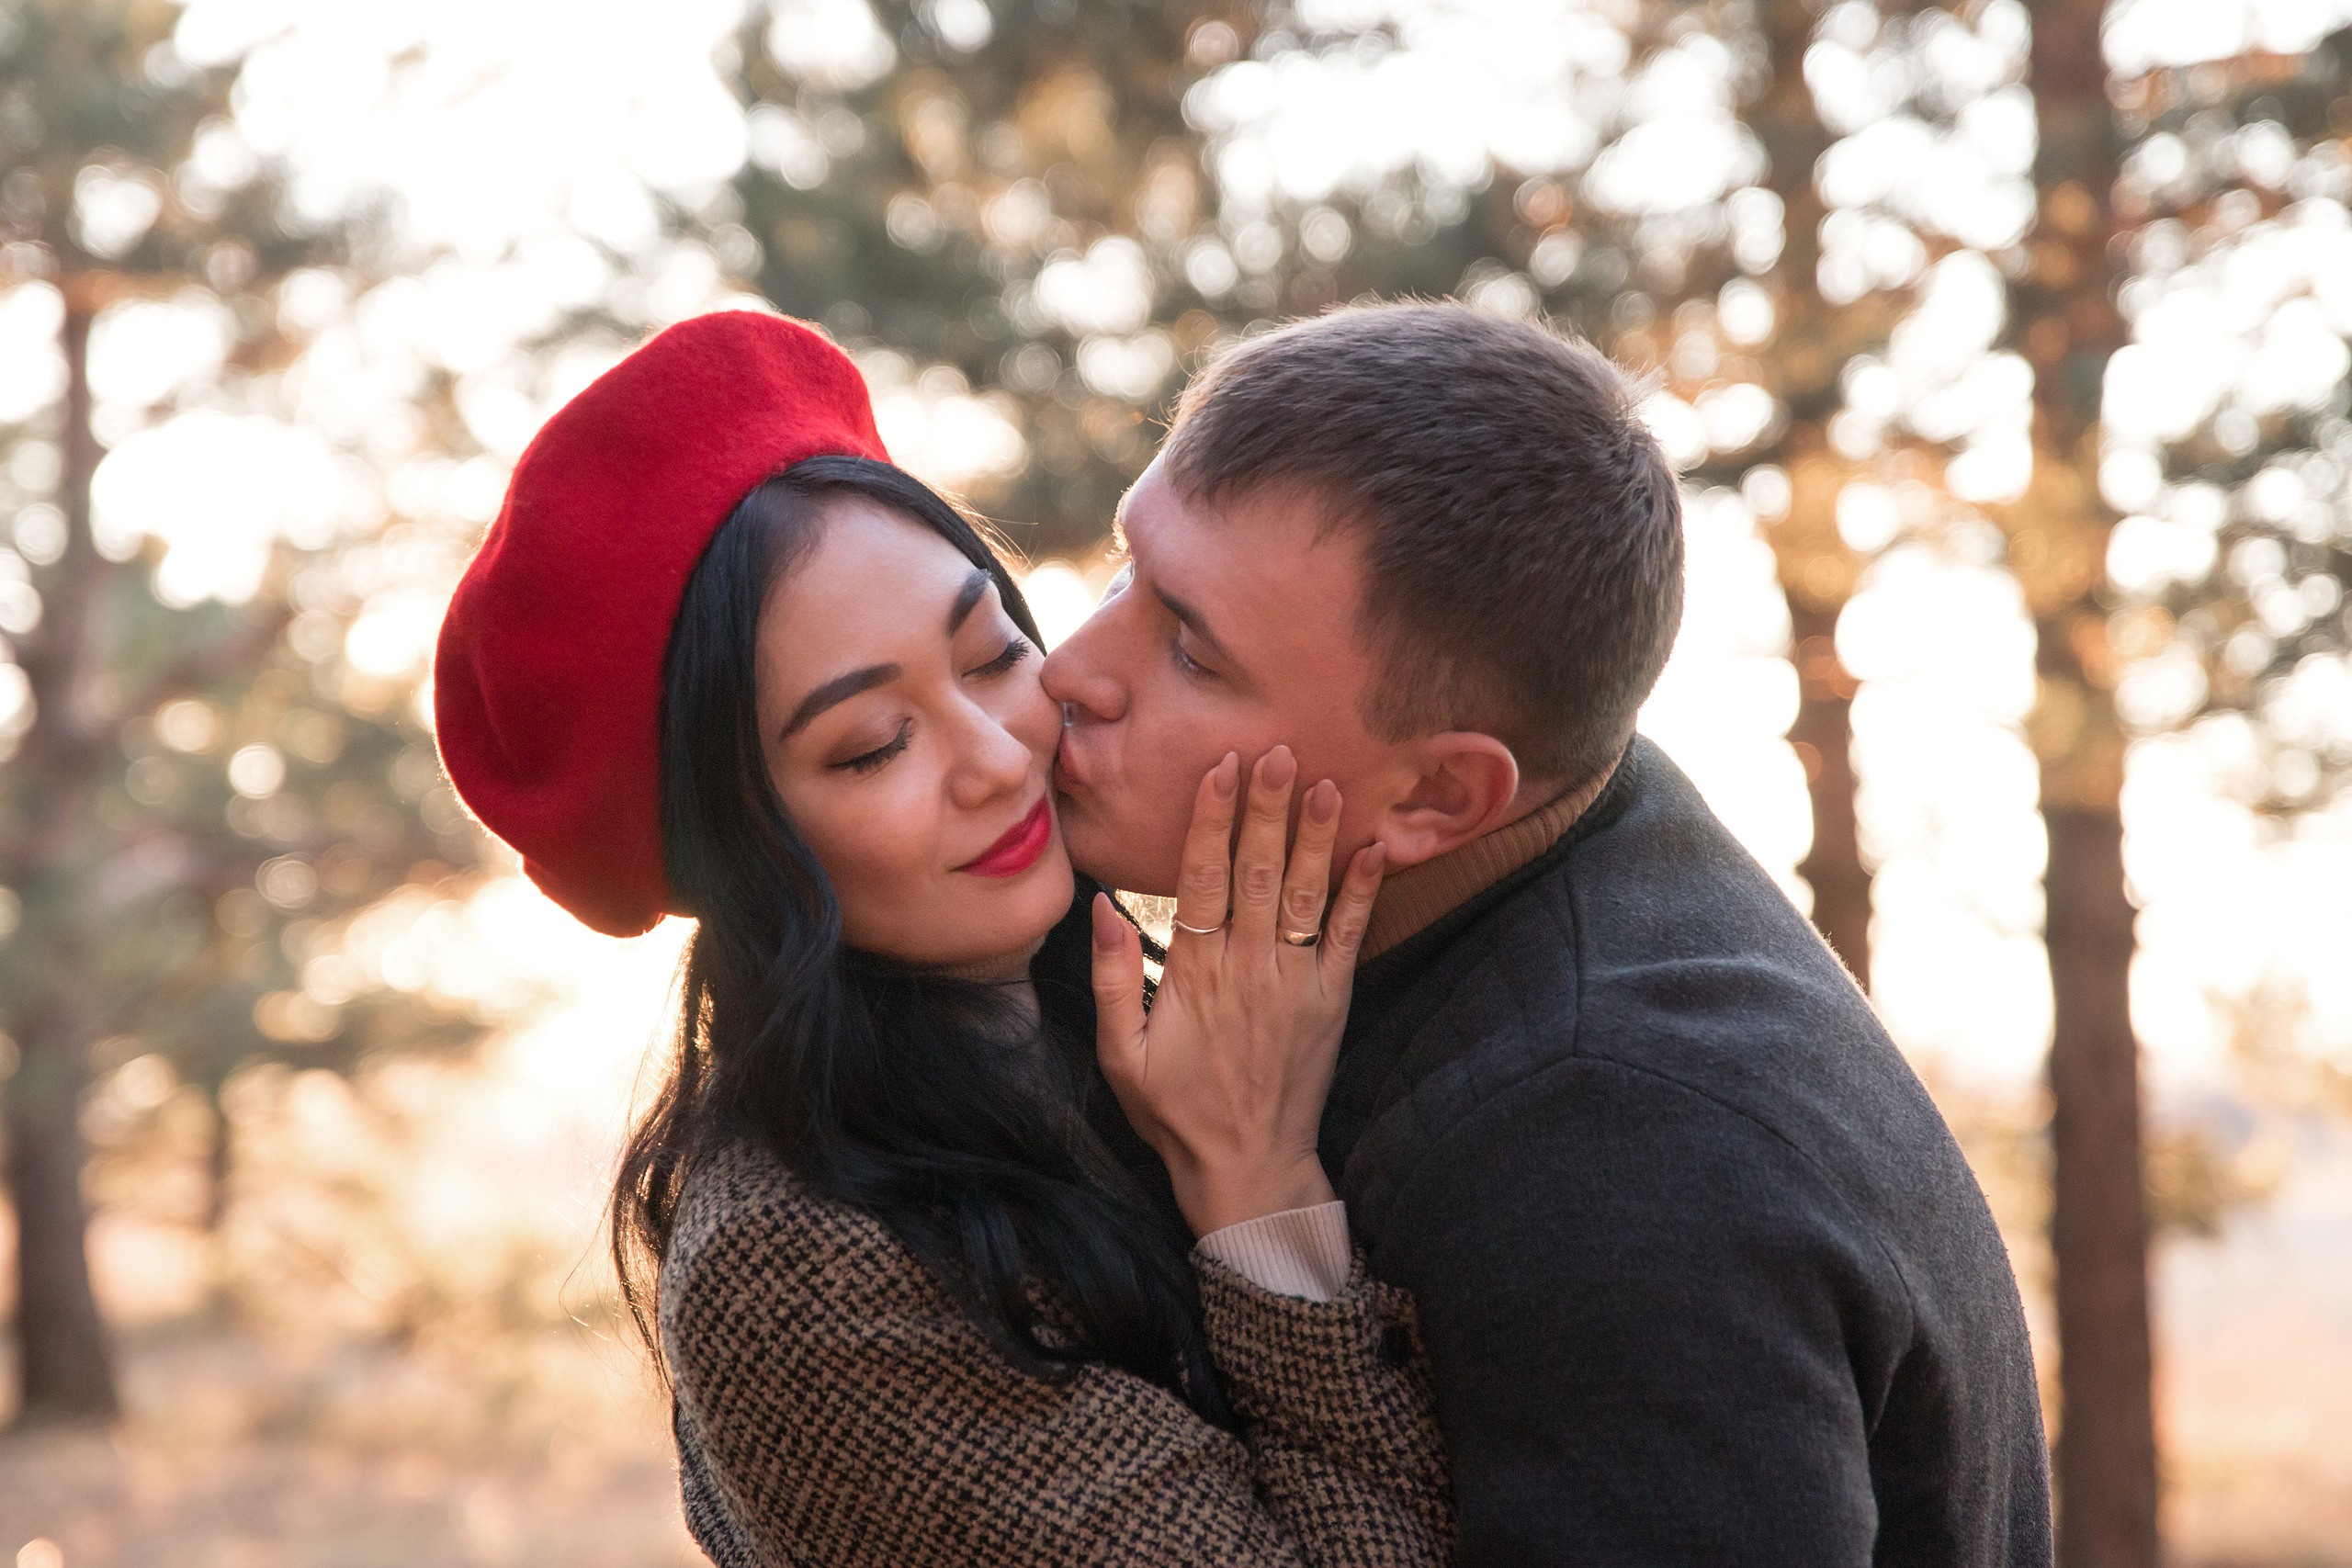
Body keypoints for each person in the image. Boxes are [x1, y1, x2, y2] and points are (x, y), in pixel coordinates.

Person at [430, 310, 1455, 1567]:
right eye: (871, 746)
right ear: (741, 849)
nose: (996, 755)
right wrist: (1260, 1198)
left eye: (987, 653)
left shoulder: (1116, 1018)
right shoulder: (803, 1269)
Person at [1048, 301, 2054, 1566]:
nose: (1070, 669)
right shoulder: (1559, 827)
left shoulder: (1619, 1146)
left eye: (1191, 651)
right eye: (1126, 569)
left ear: (1438, 797)